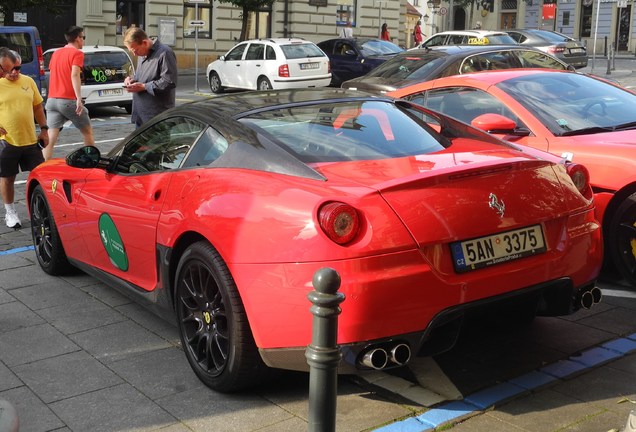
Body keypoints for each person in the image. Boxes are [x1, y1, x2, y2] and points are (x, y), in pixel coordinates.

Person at [0, 50, 48, 229]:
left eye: (17, 68)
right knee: (7, 177)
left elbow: (37, 107)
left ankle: (42, 209)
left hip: (30, 140)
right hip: (6, 141)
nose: (13, 73)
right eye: (8, 69)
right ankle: (10, 212)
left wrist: (44, 129)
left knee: (40, 176)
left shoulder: (28, 81)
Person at [45, 25, 95, 161]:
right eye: (83, 37)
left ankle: (43, 166)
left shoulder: (55, 53)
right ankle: (91, 160)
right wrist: (79, 98)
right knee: (87, 132)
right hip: (67, 100)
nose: (83, 41)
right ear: (78, 38)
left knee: (51, 136)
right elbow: (74, 75)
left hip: (52, 100)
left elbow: (51, 74)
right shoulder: (77, 54)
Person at [123, 26, 177, 128]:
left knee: (158, 144)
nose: (135, 54)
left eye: (135, 50)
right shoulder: (142, 54)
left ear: (145, 43)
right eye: (132, 51)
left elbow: (169, 82)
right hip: (141, 116)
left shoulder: (165, 53)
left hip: (157, 118)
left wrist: (144, 86)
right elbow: (144, 76)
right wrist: (132, 79)